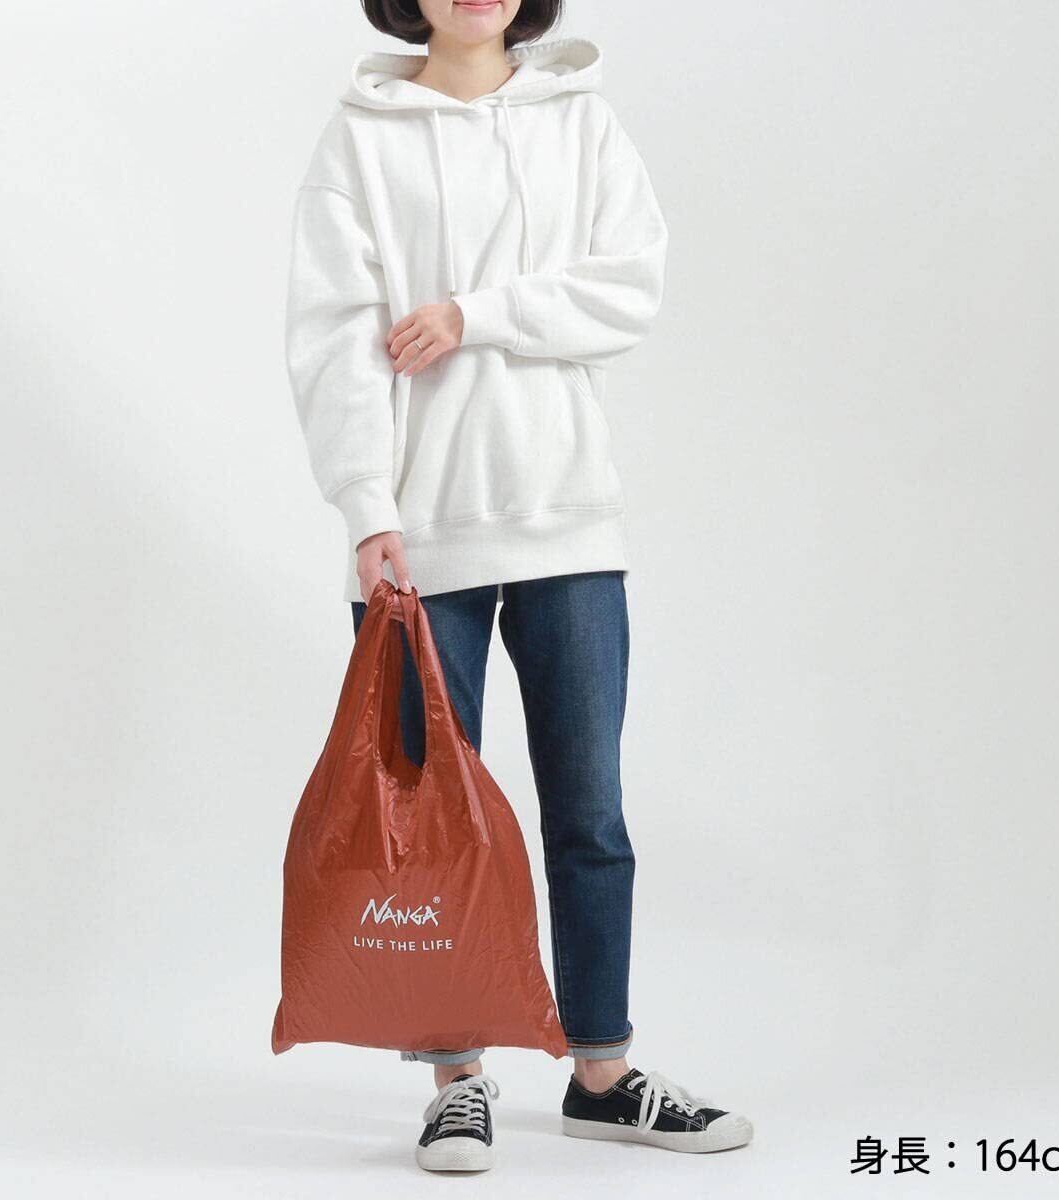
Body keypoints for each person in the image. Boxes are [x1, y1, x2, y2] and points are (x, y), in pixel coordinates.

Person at [286, 0, 753, 1172]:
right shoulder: (362, 135)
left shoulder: (581, 121)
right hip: (420, 536)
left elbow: (629, 287)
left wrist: (474, 316)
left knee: (589, 811)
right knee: (433, 829)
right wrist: (367, 510)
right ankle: (457, 1082)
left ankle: (602, 1073)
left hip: (567, 519)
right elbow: (332, 335)